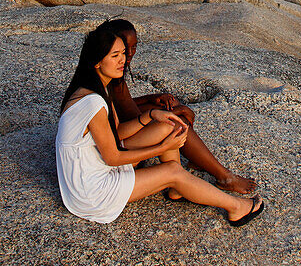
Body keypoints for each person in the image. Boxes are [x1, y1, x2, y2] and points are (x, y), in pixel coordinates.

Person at [56, 25, 264, 226]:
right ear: (96, 62)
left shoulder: (94, 89)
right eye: (115, 55)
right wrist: (160, 149)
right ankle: (236, 207)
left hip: (93, 173)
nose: (123, 60)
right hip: (92, 192)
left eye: (122, 53)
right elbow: (113, 157)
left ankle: (179, 189)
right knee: (172, 171)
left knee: (170, 126)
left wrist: (150, 115)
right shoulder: (93, 102)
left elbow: (117, 132)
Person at [103, 19, 256, 194]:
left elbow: (122, 103)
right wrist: (174, 111)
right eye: (125, 48)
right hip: (119, 143)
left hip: (121, 130)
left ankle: (195, 159)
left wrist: (152, 98)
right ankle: (224, 177)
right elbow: (131, 116)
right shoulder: (112, 76)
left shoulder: (111, 70)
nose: (130, 53)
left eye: (134, 47)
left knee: (170, 106)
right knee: (176, 121)